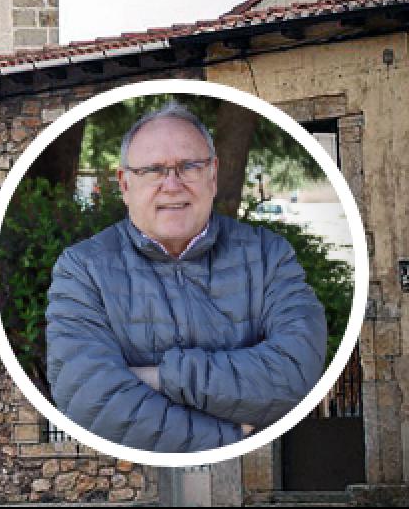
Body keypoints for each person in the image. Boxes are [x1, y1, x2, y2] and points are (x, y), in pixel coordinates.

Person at [45, 101, 327, 452]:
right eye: (153, 170)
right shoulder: (82, 269)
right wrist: (229, 436)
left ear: (213, 175)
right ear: (125, 184)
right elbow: (91, 400)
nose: (172, 184)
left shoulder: (268, 256)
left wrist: (161, 376)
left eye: (189, 166)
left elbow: (296, 373)